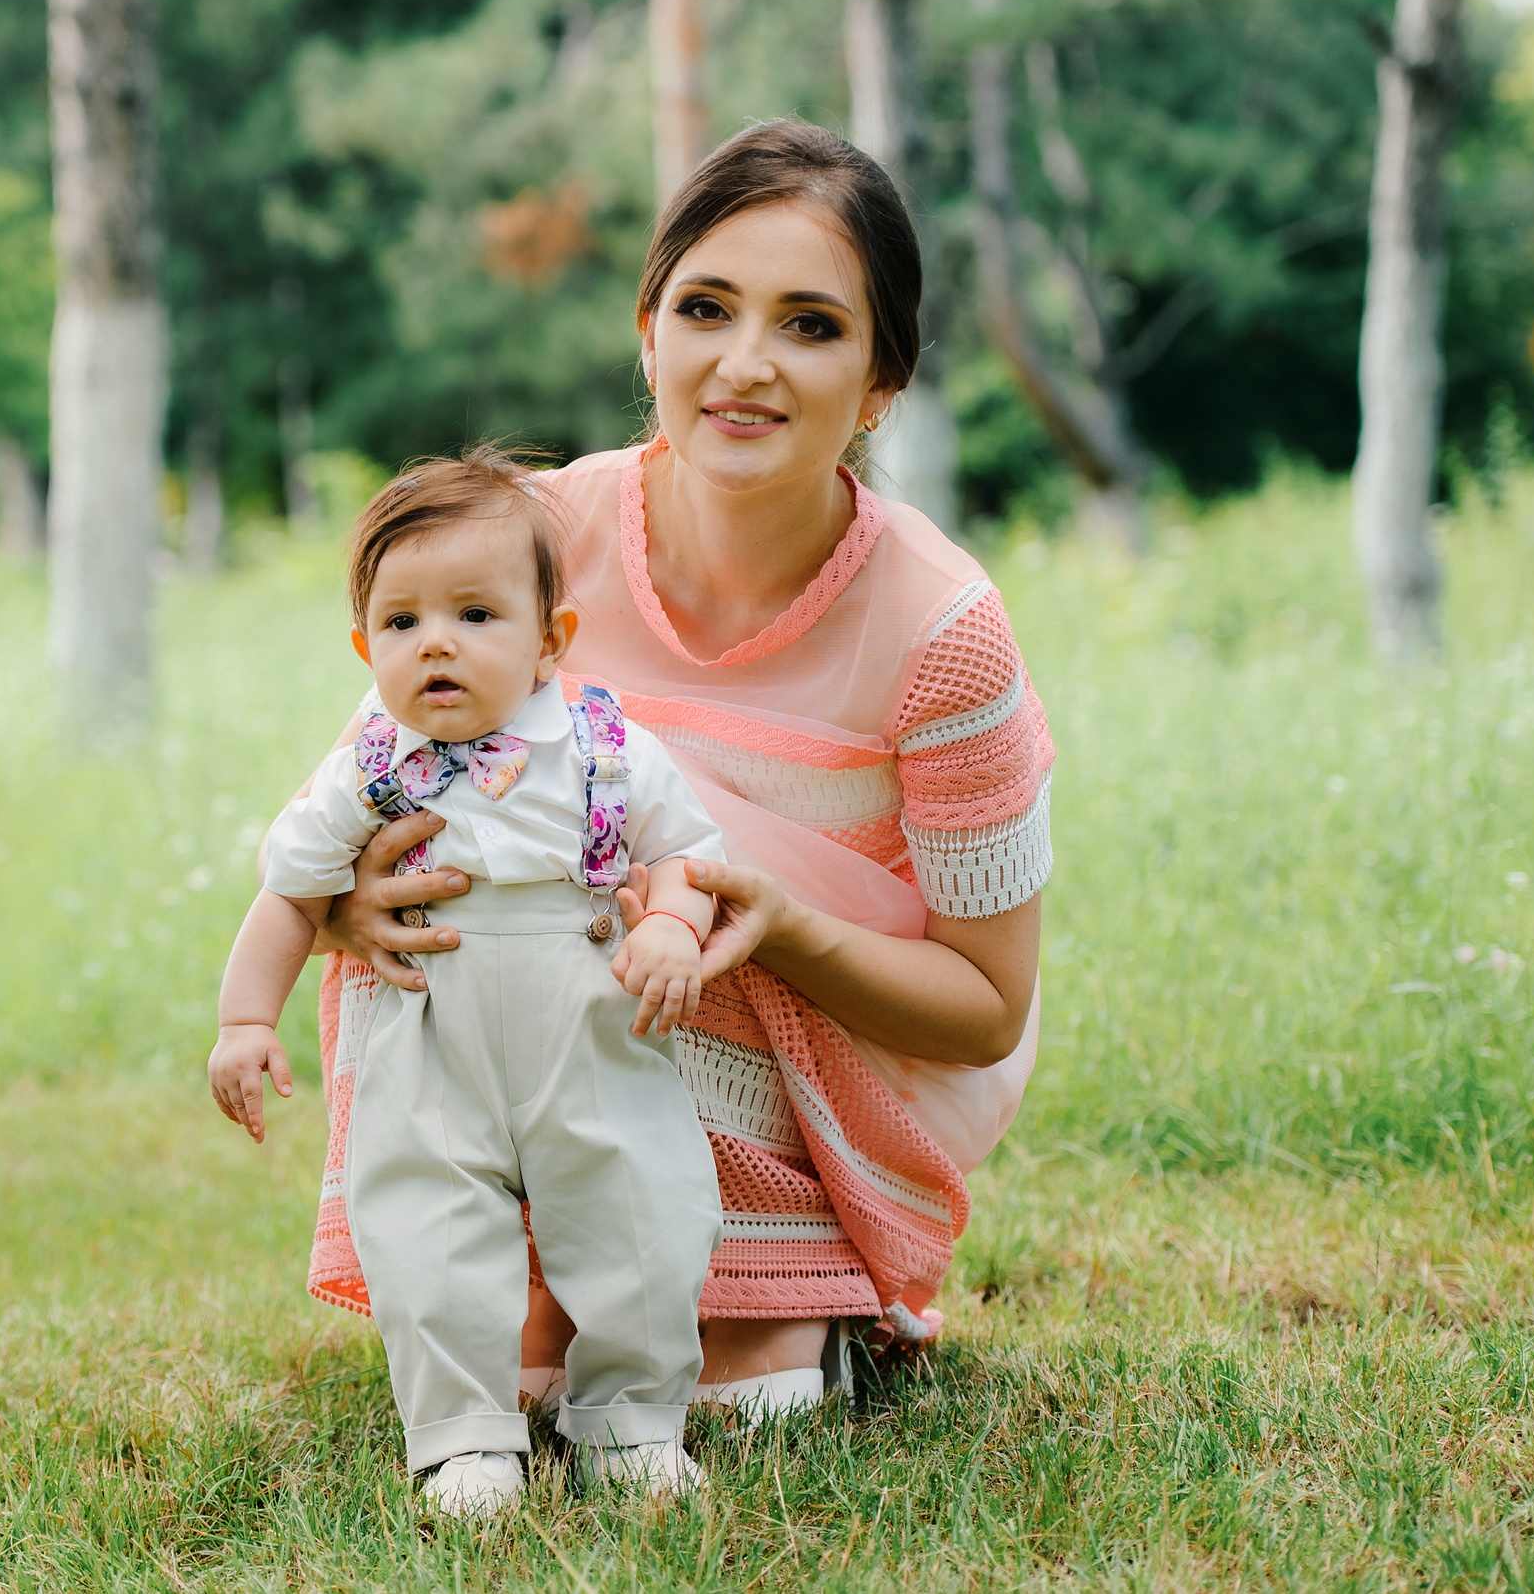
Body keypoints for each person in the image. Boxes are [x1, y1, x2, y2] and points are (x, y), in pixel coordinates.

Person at [304, 120, 1054, 1419]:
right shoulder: (529, 539)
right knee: (523, 1369)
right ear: (648, 332)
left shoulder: (943, 628)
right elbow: (366, 785)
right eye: (706, 307)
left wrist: (783, 923)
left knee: (673, 873)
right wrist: (345, 904)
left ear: (881, 378)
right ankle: (514, 1266)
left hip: (832, 1026)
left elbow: (987, 1005)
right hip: (528, 1010)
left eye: (811, 325)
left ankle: (785, 1282)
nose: (745, 364)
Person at [209, 451, 733, 1515]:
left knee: (639, 1204)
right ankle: (462, 1437)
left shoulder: (604, 744)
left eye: (475, 614)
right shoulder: (363, 766)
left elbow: (687, 850)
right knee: (427, 1221)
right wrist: (242, 1018)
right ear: (366, 648)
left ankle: (632, 1419)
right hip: (427, 1024)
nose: (435, 639)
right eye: (400, 622)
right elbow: (289, 893)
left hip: (590, 1019)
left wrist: (675, 923)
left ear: (550, 640)